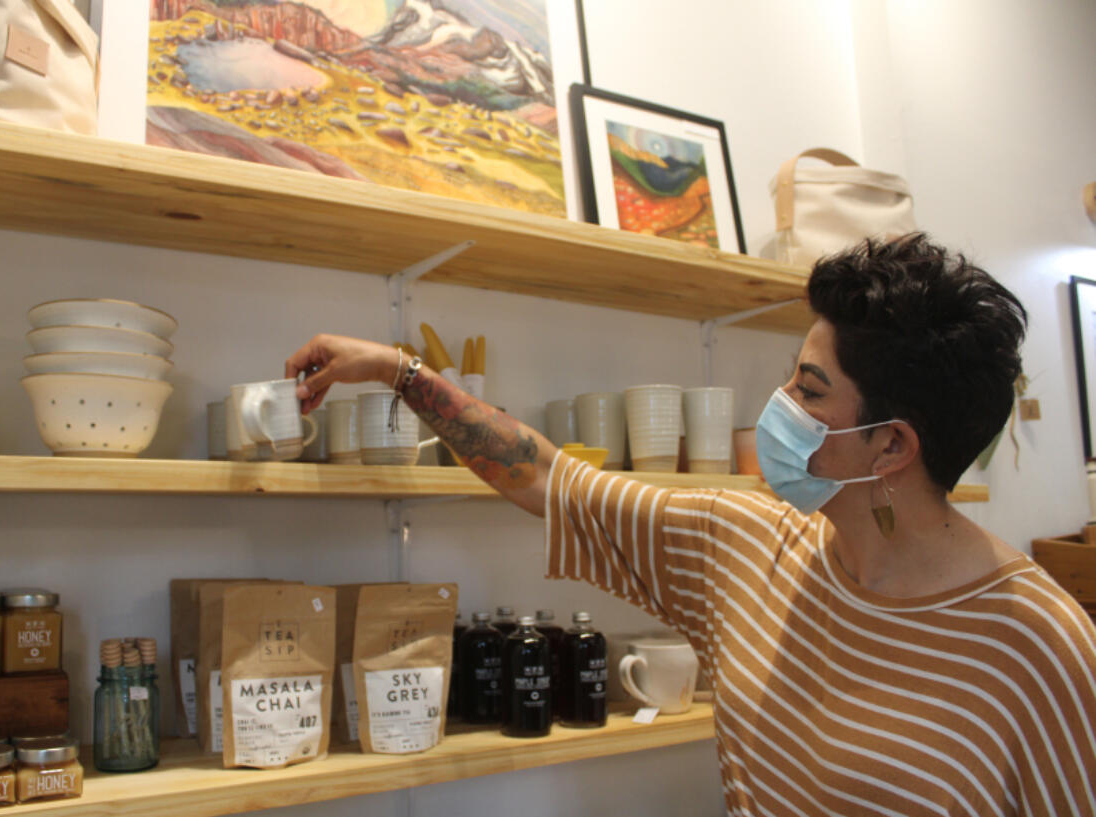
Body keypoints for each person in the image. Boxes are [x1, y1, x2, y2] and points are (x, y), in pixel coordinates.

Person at [287, 234, 1096, 816]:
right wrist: (400, 369)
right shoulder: (743, 540)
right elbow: (542, 473)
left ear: (891, 444)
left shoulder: (1040, 646)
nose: (779, 405)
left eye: (810, 391)